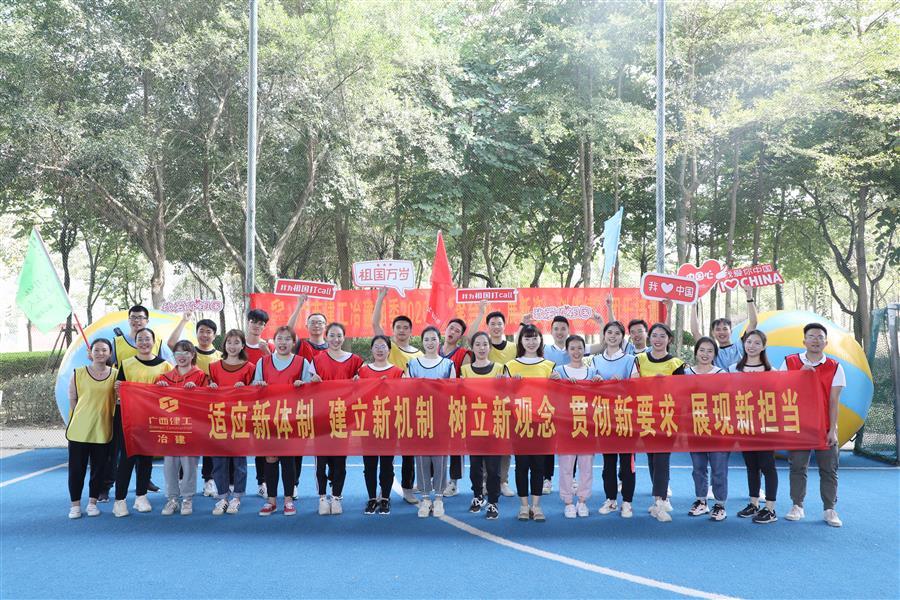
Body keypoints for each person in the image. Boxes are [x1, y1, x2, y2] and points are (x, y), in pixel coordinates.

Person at [103, 304, 172, 499]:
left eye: (141, 317)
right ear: (129, 320)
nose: (137, 321)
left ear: (147, 321)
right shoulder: (117, 343)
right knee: (118, 450)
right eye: (133, 317)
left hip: (150, 410)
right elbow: (107, 365)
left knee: (145, 451)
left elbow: (172, 373)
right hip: (125, 407)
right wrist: (117, 384)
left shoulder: (159, 345)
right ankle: (107, 486)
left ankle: (143, 485)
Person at [780, 323, 845, 528]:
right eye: (811, 336)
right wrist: (799, 374)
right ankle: (797, 505)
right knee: (797, 467)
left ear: (826, 342)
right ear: (804, 341)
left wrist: (833, 429)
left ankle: (829, 509)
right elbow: (781, 392)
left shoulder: (835, 367)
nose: (816, 340)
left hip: (824, 427)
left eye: (820, 337)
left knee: (829, 469)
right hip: (799, 426)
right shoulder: (789, 362)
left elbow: (834, 401)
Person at [253, 326, 314, 516]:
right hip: (269, 417)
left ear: (293, 342)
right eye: (279, 338)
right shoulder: (263, 362)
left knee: (288, 459)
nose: (283, 342)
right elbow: (253, 388)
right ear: (274, 341)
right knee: (270, 458)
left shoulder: (302, 362)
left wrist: (303, 386)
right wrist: (259, 385)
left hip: (291, 418)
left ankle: (288, 500)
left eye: (288, 339)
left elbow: (311, 390)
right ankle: (271, 501)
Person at [113, 328, 173, 517]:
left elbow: (172, 393)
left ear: (154, 342)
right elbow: (119, 391)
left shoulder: (165, 366)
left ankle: (141, 496)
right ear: (136, 342)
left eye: (148, 339)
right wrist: (118, 388)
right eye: (140, 339)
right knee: (127, 459)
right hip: (129, 419)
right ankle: (120, 500)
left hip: (152, 419)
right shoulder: (126, 364)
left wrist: (165, 388)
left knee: (146, 459)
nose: (144, 342)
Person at [371, 287, 421, 504]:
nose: (402, 330)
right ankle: (384, 491)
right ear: (392, 331)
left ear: (411, 331)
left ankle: (408, 488)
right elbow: (375, 324)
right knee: (387, 453)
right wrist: (381, 297)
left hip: (410, 409)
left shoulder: (419, 354)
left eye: (405, 327)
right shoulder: (388, 348)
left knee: (409, 452)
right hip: (387, 408)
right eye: (398, 327)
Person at [166, 312, 222, 498]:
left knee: (209, 444)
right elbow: (171, 344)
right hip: (186, 409)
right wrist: (183, 320)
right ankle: (182, 480)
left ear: (214, 335)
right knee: (185, 443)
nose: (204, 335)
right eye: (201, 331)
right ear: (196, 333)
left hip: (209, 408)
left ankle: (209, 480)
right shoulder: (188, 352)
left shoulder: (220, 356)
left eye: (208, 332)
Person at [311, 323, 364, 516]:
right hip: (321, 417)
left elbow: (365, 385)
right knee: (321, 460)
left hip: (343, 417)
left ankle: (336, 497)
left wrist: (359, 382)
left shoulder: (356, 361)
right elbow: (307, 387)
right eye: (332, 335)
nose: (335, 339)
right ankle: (322, 498)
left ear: (344, 337)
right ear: (326, 337)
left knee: (340, 460)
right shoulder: (316, 360)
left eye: (339, 335)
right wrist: (311, 382)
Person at [504, 324, 555, 522]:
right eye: (527, 338)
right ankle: (524, 506)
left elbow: (556, 396)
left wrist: (557, 382)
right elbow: (504, 397)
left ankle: (537, 505)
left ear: (540, 340)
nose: (531, 342)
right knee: (522, 465)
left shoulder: (549, 365)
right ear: (521, 341)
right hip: (520, 423)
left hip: (542, 423)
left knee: (539, 466)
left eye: (534, 338)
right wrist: (512, 386)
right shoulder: (511, 365)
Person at [405, 326, 457, 518]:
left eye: (433, 339)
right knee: (422, 459)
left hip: (441, 418)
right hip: (420, 417)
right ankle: (426, 498)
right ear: (422, 342)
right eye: (426, 339)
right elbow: (407, 390)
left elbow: (453, 391)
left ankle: (439, 498)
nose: (430, 342)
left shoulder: (448, 364)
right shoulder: (413, 364)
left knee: (440, 459)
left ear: (439, 341)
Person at [635, 323, 685, 523]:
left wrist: (665, 384)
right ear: (649, 338)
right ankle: (658, 498)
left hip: (667, 417)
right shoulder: (640, 360)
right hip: (646, 415)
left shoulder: (676, 363)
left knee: (662, 459)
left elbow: (681, 392)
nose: (658, 339)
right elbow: (632, 385)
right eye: (654, 335)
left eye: (662, 336)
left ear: (669, 339)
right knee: (652, 458)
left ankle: (660, 501)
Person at [589, 321, 639, 518]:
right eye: (609, 332)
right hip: (604, 418)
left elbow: (637, 387)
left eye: (617, 333)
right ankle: (610, 499)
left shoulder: (631, 360)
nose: (612, 336)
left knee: (627, 463)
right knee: (608, 463)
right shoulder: (595, 360)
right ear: (604, 335)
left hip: (626, 417)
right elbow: (589, 388)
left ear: (622, 337)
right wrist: (596, 382)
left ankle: (627, 502)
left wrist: (624, 383)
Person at [730, 329, 779, 524]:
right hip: (744, 424)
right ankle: (753, 503)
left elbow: (778, 397)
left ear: (764, 346)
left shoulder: (771, 372)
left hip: (765, 426)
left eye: (757, 343)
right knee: (751, 466)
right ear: (744, 344)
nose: (752, 346)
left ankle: (770, 509)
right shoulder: (734, 369)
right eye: (749, 342)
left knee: (767, 465)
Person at [155, 340, 209, 516]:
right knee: (170, 465)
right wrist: (159, 389)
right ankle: (172, 499)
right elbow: (153, 401)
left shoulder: (201, 377)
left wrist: (198, 391)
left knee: (189, 464)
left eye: (186, 352)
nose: (182, 356)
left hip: (191, 428)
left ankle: (187, 498)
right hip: (170, 428)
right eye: (178, 353)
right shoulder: (164, 378)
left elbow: (209, 401)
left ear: (192, 355)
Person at [208, 329, 257, 515]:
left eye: (237, 342)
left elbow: (256, 394)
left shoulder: (249, 367)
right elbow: (205, 392)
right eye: (229, 342)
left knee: (239, 461)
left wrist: (246, 388)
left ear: (243, 345)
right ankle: (222, 497)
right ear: (224, 344)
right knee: (219, 461)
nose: (232, 346)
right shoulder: (214, 367)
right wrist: (211, 387)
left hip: (240, 419)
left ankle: (236, 497)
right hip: (218, 418)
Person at [66, 338, 116, 518]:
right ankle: (75, 505)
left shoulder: (116, 375)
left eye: (104, 350)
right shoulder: (78, 373)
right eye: (97, 350)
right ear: (90, 353)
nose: (100, 353)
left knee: (99, 469)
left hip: (103, 430)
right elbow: (73, 399)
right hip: (79, 430)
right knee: (76, 469)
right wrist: (83, 416)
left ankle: (92, 503)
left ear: (110, 353)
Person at [550, 335, 598, 519]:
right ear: (567, 351)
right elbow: (551, 395)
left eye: (580, 348)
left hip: (587, 425)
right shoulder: (559, 371)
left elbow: (601, 395)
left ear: (584, 350)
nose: (576, 352)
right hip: (566, 426)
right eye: (572, 348)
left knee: (586, 465)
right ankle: (568, 501)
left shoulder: (592, 372)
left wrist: (599, 381)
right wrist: (553, 381)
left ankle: (583, 500)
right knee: (566, 465)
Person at [356, 335, 404, 515]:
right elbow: (356, 396)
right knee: (369, 464)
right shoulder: (362, 371)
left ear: (389, 350)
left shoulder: (398, 372)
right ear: (371, 350)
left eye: (383, 346)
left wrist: (389, 387)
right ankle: (371, 498)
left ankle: (385, 498)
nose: (379, 349)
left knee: (386, 464)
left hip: (388, 424)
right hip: (368, 424)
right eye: (376, 346)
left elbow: (403, 396)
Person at [460, 331, 505, 520]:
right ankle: (478, 495)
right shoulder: (465, 371)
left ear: (490, 347)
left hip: (494, 425)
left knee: (493, 468)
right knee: (475, 466)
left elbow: (507, 396)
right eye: (477, 344)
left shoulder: (500, 369)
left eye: (485, 344)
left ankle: (493, 501)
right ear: (472, 348)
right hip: (473, 425)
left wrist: (507, 385)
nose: (481, 348)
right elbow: (459, 396)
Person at [685, 336, 729, 521]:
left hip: (717, 428)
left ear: (715, 354)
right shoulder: (686, 373)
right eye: (702, 350)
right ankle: (701, 501)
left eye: (710, 351)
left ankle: (720, 504)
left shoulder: (722, 374)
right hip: (695, 427)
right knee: (698, 467)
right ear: (696, 352)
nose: (705, 354)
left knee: (719, 468)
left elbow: (728, 399)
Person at [244, 308, 275, 498]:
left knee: (262, 443)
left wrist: (267, 353)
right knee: (235, 442)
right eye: (254, 322)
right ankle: (230, 485)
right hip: (241, 403)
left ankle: (262, 482)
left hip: (264, 404)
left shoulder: (269, 346)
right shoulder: (238, 344)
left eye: (261, 323)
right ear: (248, 322)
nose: (257, 326)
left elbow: (276, 371)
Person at [690, 285, 757, 371]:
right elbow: (695, 332)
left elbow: (753, 323)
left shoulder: (740, 345)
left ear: (731, 331)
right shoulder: (712, 351)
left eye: (725, 329)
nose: (721, 332)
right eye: (718, 329)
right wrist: (693, 305)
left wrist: (749, 297)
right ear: (713, 333)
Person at [286, 294, 329, 360]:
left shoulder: (332, 348)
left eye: (320, 323)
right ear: (307, 326)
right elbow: (288, 331)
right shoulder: (301, 345)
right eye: (312, 323)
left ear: (326, 326)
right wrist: (299, 305)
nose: (316, 325)